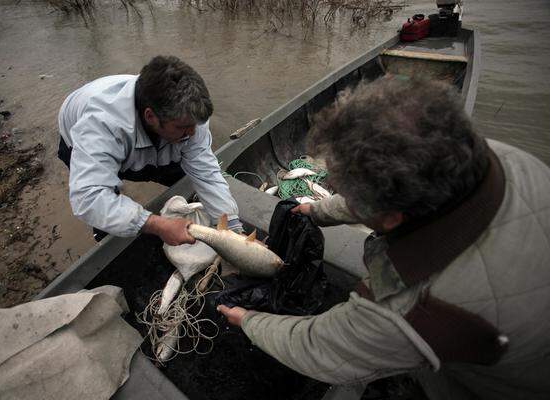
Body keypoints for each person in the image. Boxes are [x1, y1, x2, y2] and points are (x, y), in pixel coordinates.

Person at [218, 77, 550, 399]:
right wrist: (317, 212)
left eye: (344, 188)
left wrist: (249, 320)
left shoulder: (409, 307)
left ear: (391, 217)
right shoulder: (498, 158)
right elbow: (391, 195)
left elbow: (319, 348)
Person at [57, 56, 242, 244]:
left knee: (186, 179)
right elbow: (88, 197)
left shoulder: (189, 116)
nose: (193, 132)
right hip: (82, 137)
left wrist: (232, 227)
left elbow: (206, 174)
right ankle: (106, 240)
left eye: (196, 125)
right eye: (183, 127)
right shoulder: (101, 125)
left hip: (157, 133)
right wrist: (157, 224)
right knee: (106, 203)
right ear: (150, 116)